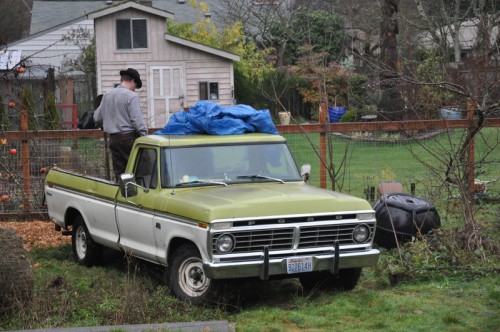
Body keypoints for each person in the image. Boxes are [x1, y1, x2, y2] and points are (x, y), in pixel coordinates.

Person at [93, 68, 148, 181]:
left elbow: (97, 118)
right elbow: (137, 121)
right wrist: (144, 137)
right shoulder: (131, 96)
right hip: (129, 139)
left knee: (120, 175)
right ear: (132, 81)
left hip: (113, 140)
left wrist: (105, 124)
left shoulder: (107, 95)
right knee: (137, 171)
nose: (135, 89)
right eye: (135, 86)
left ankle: (122, 195)